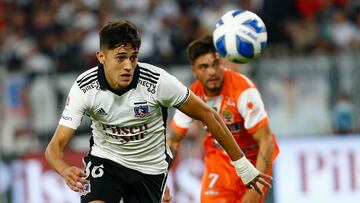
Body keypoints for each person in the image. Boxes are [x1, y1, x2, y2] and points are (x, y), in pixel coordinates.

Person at [45, 20, 271, 203]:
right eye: (120, 58)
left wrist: (243, 167)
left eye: (133, 58)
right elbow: (54, 148)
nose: (128, 66)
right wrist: (64, 169)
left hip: (150, 169)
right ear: (101, 57)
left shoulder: (157, 82)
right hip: (106, 161)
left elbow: (209, 115)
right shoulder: (85, 87)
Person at [168, 35, 279, 203]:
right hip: (219, 162)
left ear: (223, 63)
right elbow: (173, 142)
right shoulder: (191, 96)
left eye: (216, 64)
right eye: (204, 67)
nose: (212, 71)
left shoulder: (243, 91)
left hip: (253, 162)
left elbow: (266, 140)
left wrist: (257, 188)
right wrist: (159, 183)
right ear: (194, 70)